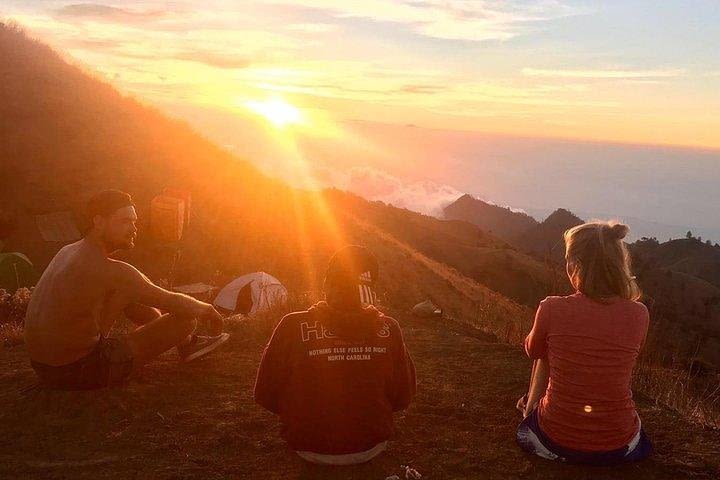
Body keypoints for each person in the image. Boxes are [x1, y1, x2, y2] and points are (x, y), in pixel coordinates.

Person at [24, 189, 229, 390]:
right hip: (82, 370)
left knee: (126, 294)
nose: (133, 229)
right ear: (99, 222)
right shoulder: (110, 269)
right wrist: (208, 310)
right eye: (125, 221)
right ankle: (188, 341)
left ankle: (188, 344)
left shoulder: (68, 251)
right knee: (185, 319)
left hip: (45, 368)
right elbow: (171, 301)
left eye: (134, 222)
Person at [254, 245, 416, 465]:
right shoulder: (390, 329)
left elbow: (264, 394)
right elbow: (403, 397)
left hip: (307, 446)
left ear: (326, 284)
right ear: (370, 289)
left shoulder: (291, 326)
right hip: (370, 446)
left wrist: (305, 411)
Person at [516, 221, 653, 464]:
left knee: (546, 350)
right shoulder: (639, 313)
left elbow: (532, 351)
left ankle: (529, 411)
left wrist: (544, 330)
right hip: (619, 445)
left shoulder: (552, 307)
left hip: (554, 441)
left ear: (576, 265)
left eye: (568, 259)